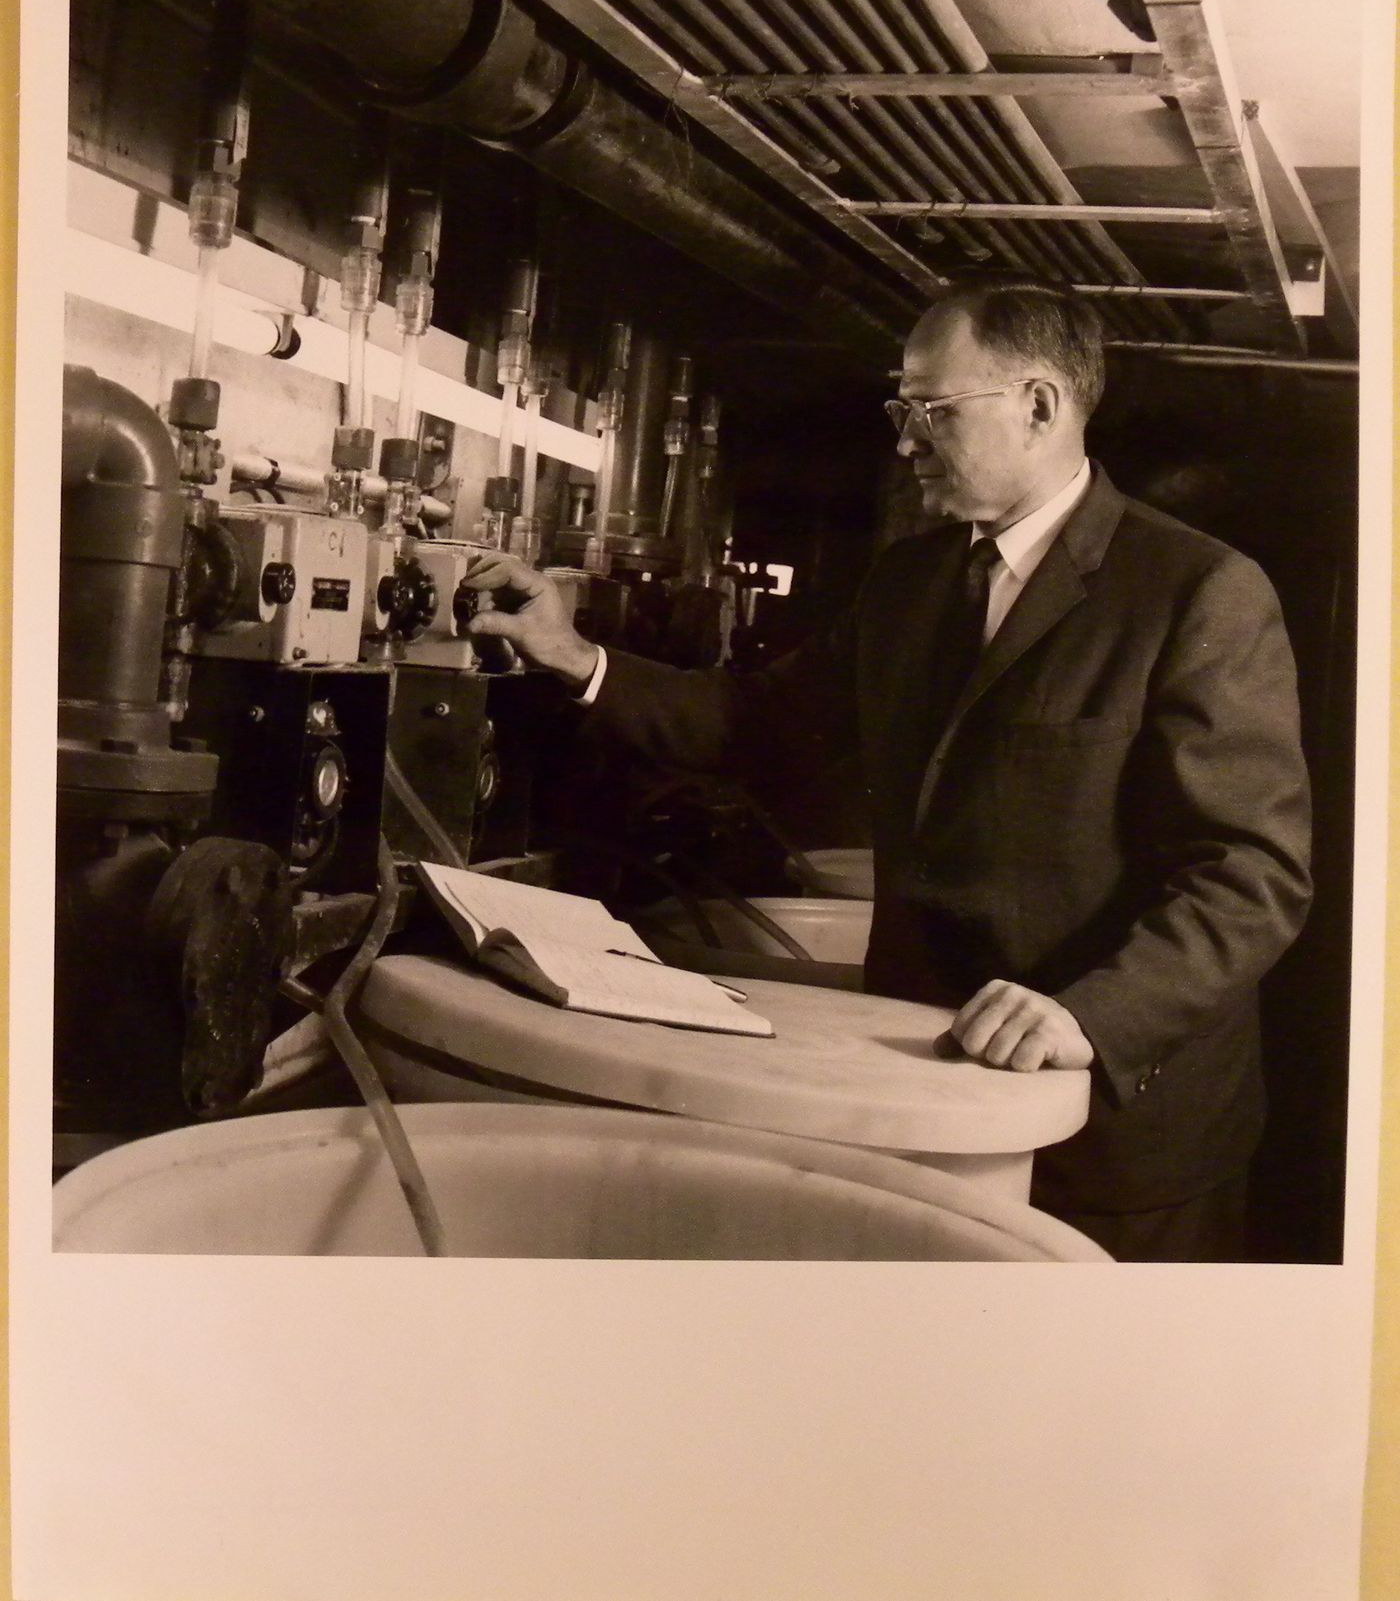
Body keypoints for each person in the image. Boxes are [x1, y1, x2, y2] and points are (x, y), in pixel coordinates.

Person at [462, 278, 1313, 1262]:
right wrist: (574, 657)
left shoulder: (1198, 591)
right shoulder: (912, 583)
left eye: (928, 412)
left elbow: (1250, 875)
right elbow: (756, 724)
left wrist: (1087, 1017)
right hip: (922, 1086)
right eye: (896, 413)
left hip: (1115, 1131)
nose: (903, 445)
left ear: (1038, 405)